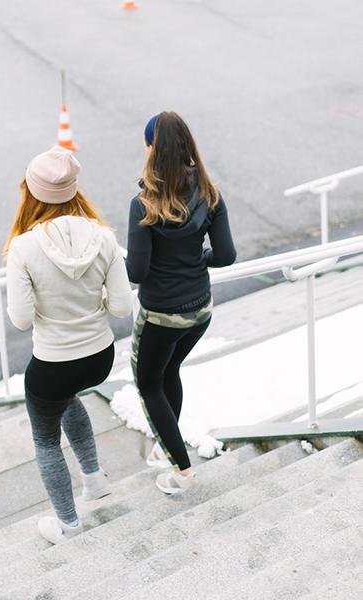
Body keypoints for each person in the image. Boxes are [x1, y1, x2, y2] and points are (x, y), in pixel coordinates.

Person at [5, 145, 133, 543]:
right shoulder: (103, 237)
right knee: (69, 398)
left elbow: (21, 319)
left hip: (54, 362)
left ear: (30, 191)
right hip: (99, 356)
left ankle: (68, 524)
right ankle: (94, 480)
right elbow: (122, 307)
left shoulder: (24, 248)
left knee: (45, 439)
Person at [126, 111, 237, 495]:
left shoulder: (144, 205)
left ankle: (182, 471)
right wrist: (195, 261)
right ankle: (166, 445)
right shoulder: (210, 194)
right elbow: (225, 255)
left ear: (152, 150)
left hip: (161, 315)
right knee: (169, 371)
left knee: (147, 383)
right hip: (200, 310)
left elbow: (136, 273)